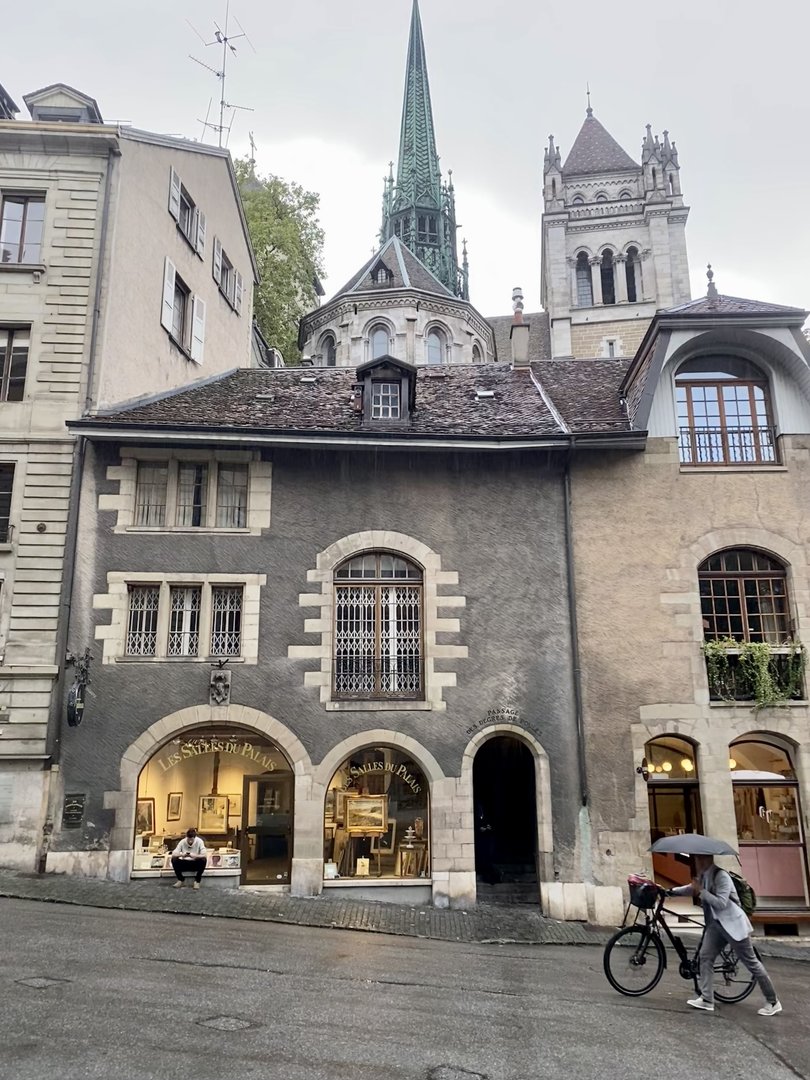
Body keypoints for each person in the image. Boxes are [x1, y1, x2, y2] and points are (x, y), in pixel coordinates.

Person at [670, 853, 781, 1015]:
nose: (697, 861)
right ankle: (707, 999)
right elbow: (691, 889)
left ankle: (773, 1001)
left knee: (752, 963)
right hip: (717, 925)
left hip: (733, 925)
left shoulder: (722, 876)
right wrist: (670, 892)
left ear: (708, 859)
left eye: (700, 858)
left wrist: (702, 892)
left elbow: (721, 903)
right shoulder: (704, 875)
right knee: (705, 957)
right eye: (696, 858)